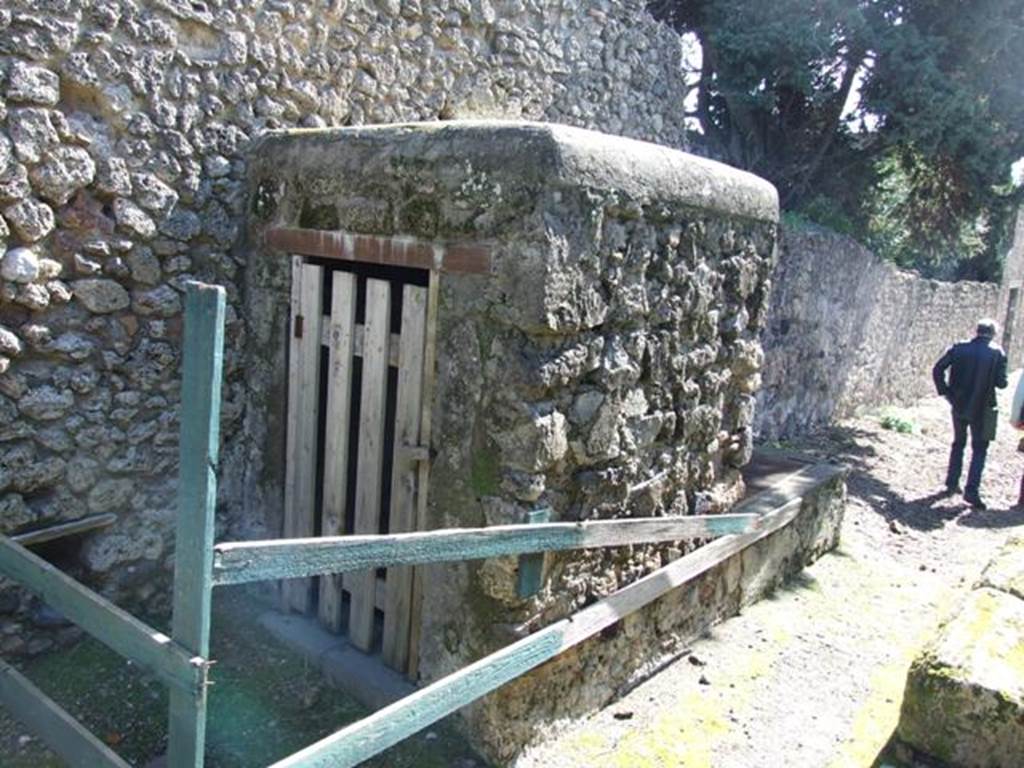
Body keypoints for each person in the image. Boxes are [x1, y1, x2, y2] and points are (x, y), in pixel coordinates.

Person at [932, 318, 1008, 509]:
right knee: (980, 448)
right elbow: (1002, 383)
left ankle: (951, 482)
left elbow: (938, 368)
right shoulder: (997, 353)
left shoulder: (959, 348)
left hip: (958, 403)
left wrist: (946, 391)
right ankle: (971, 490)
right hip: (984, 407)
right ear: (993, 333)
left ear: (976, 331)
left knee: (958, 442)